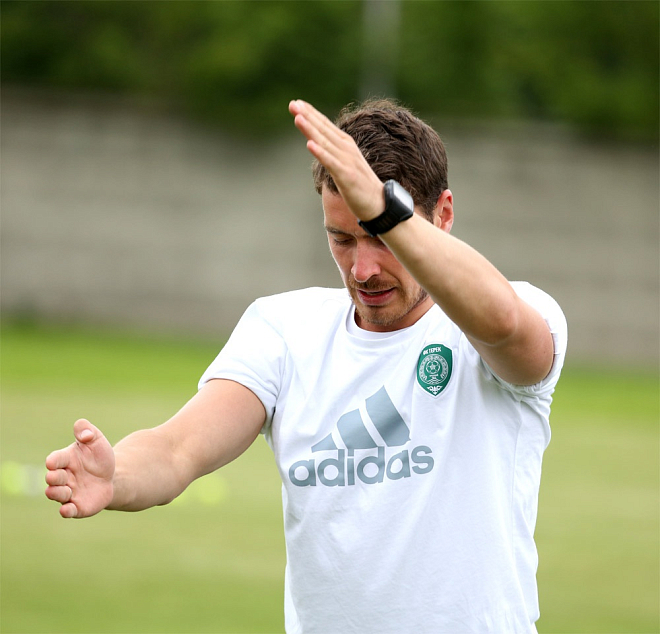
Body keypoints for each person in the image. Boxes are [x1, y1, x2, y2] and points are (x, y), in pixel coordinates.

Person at [45, 98, 567, 634]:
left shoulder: (511, 316)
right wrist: (117, 475)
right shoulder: (284, 330)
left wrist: (387, 211)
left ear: (444, 215)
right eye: (342, 239)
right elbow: (178, 448)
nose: (362, 269)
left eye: (383, 238)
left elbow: (504, 324)